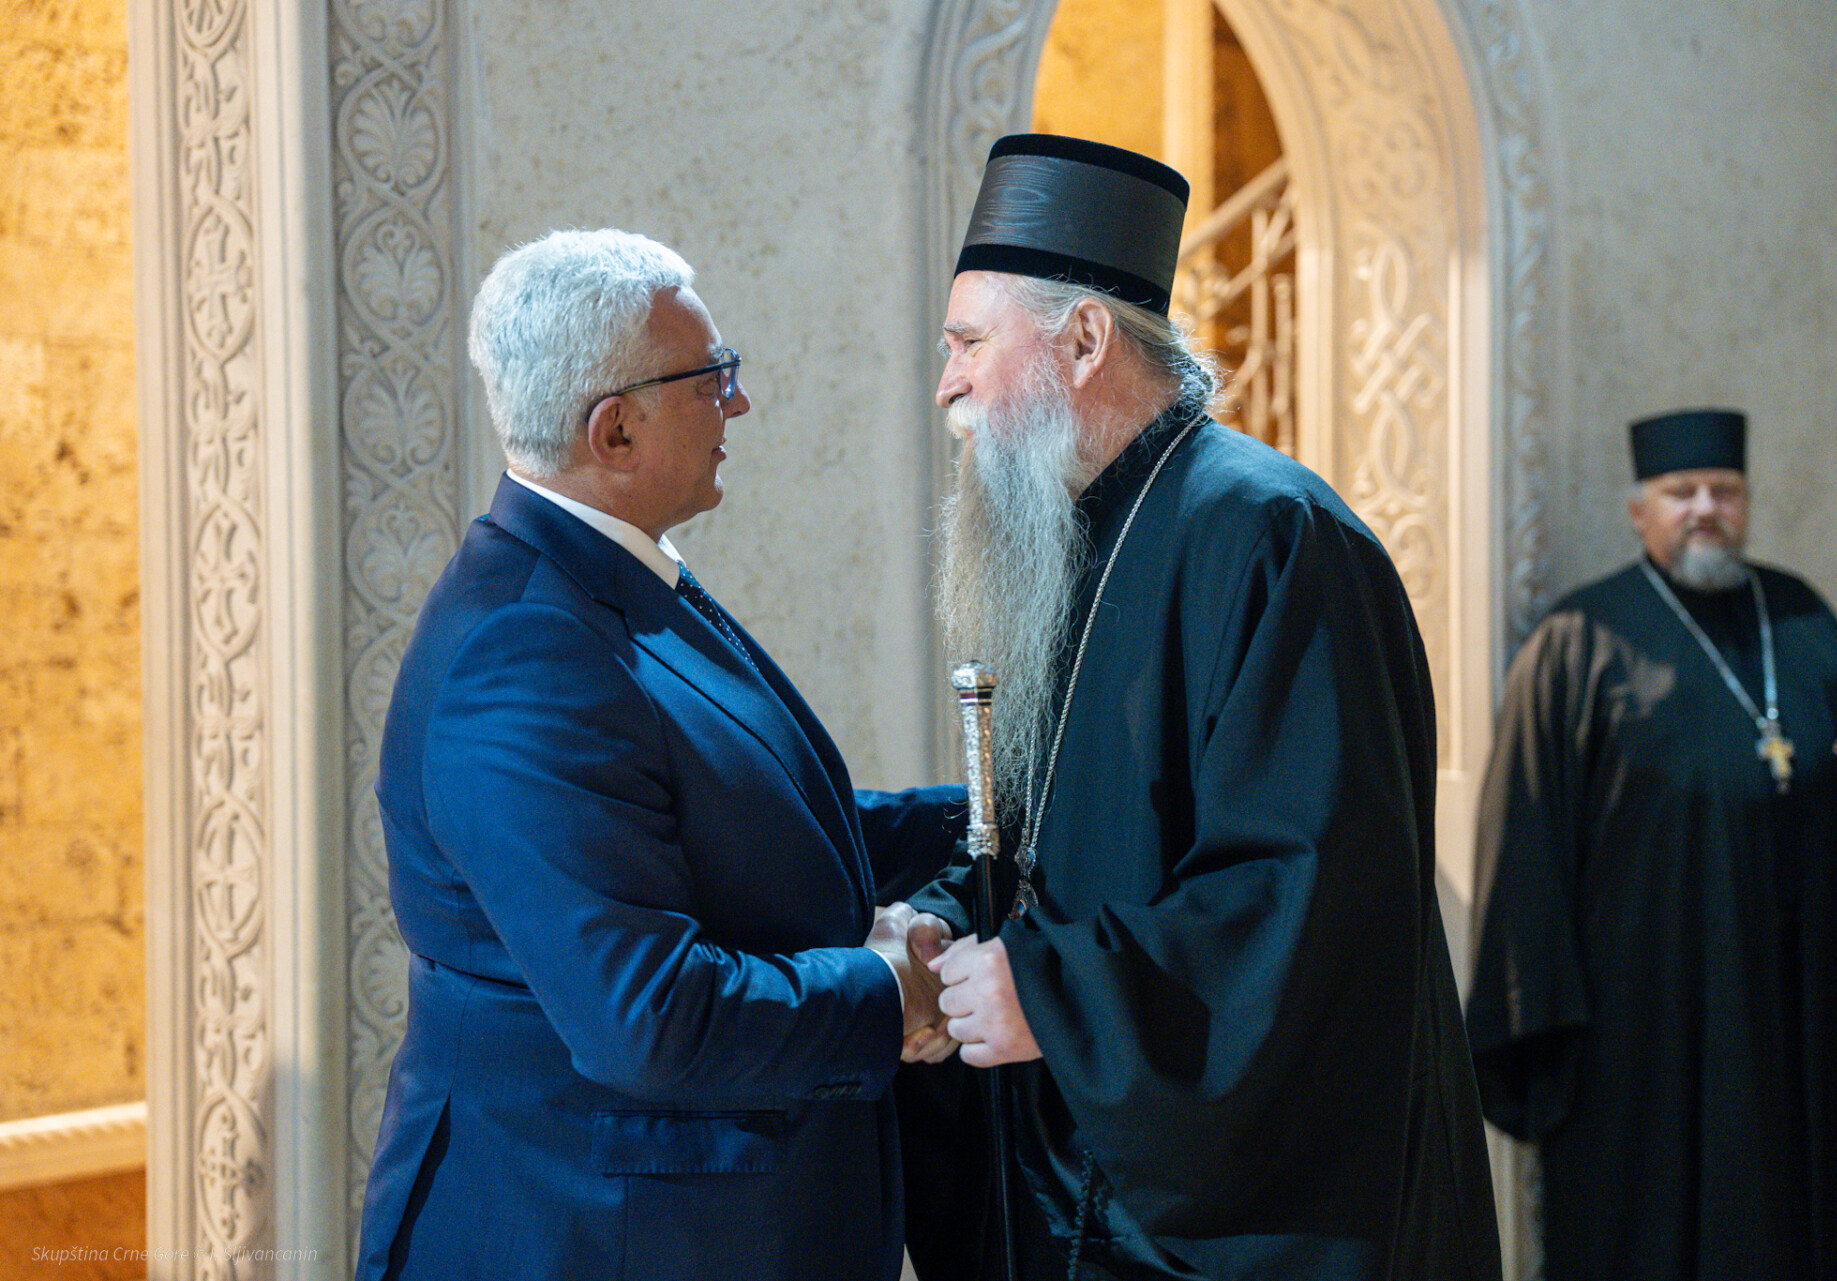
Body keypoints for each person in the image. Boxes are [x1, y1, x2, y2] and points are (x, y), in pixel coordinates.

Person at [899, 133, 1501, 1281]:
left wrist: (1057, 997)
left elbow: (1307, 905)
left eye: (969, 343)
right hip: (1089, 1191)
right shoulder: (1066, 536)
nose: (948, 384)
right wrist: (936, 924)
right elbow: (1043, 840)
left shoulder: (1271, 532)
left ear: (1085, 340)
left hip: (1244, 1224)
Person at [354, 229, 965, 1281]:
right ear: (617, 428)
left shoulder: (605, 574)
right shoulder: (524, 649)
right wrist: (889, 990)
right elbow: (648, 1017)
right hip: (592, 1235)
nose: (739, 402)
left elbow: (752, 831)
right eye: (712, 378)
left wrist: (1002, 810)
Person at [1465, 408, 1837, 1281]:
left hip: (1806, 1014)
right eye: (1683, 492)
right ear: (1640, 509)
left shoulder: (1805, 620)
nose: (1706, 507)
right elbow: (1525, 849)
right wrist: (1542, 1033)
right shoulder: (1579, 642)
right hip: (1649, 1040)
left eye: (1725, 490)